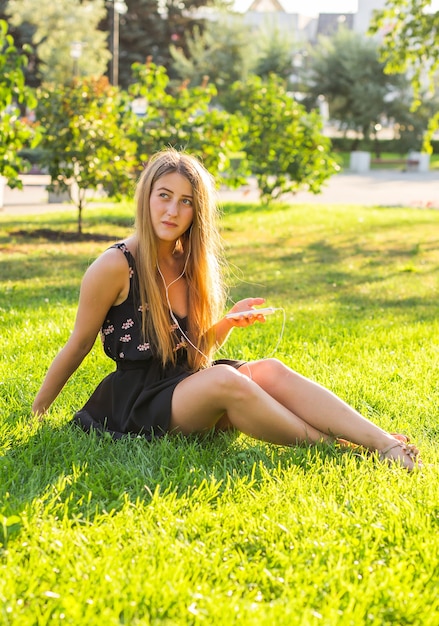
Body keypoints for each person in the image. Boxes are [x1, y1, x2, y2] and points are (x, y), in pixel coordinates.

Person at [32, 148, 422, 470]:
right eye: (164, 195)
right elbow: (78, 344)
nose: (172, 211)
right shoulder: (116, 265)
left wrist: (227, 323)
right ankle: (346, 452)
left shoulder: (189, 262)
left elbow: (194, 354)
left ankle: (381, 441)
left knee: (268, 369)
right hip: (137, 404)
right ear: (147, 196)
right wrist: (38, 413)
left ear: (197, 211)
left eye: (186, 201)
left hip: (182, 387)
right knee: (228, 381)